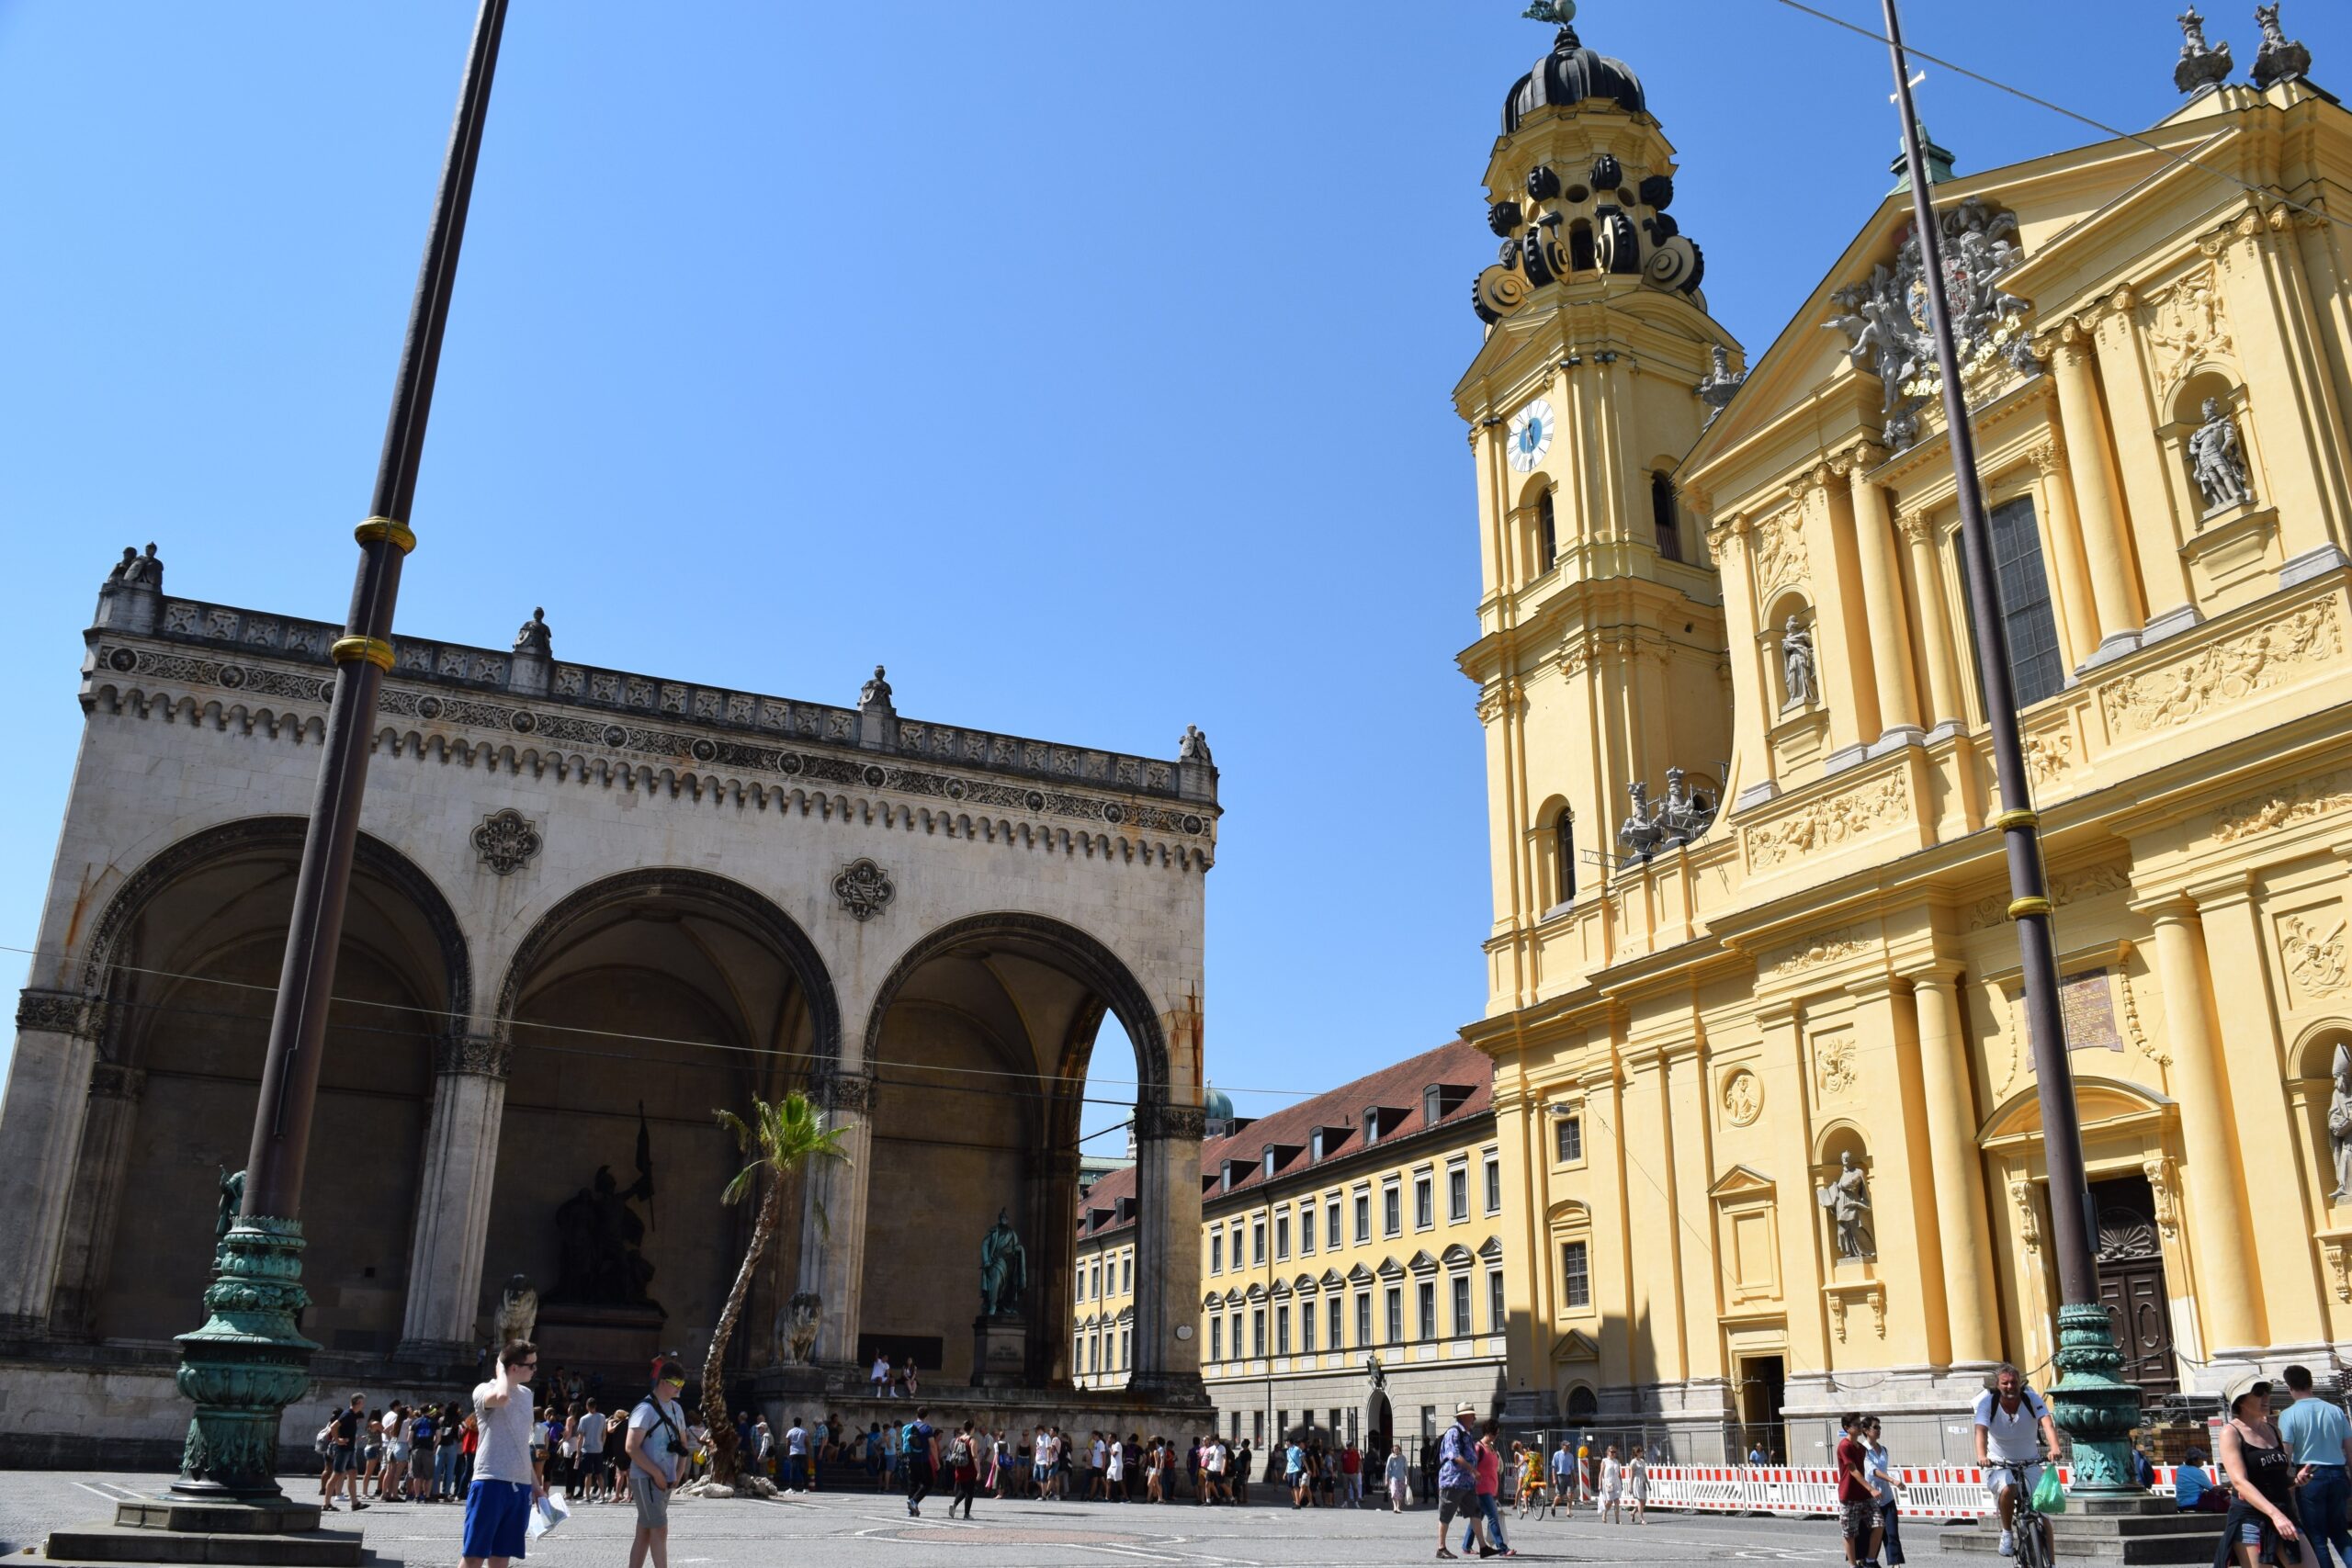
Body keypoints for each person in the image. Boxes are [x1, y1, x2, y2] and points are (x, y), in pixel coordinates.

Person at [461, 1341, 545, 1568]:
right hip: (490, 1481)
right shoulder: (484, 1390)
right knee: (474, 1555)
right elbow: (501, 1398)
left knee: (502, 1556)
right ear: (514, 1367)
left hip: (519, 1485)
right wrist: (500, 1367)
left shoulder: (527, 1394)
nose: (535, 1370)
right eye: (531, 1365)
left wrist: (535, 1486)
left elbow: (521, 1444)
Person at [2218, 1372, 2306, 1568]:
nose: (2266, 1397)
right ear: (2240, 1400)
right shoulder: (2231, 1432)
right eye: (2258, 1392)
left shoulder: (2274, 1430)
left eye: (2267, 1391)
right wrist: (2275, 1515)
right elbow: (2240, 1482)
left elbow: (2277, 1476)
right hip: (2251, 1517)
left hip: (2283, 1511)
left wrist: (2295, 1480)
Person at [1973, 1365, 2059, 1558]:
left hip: (2030, 1462)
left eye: (2014, 1382)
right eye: (2005, 1383)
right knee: (2008, 1487)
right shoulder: (1988, 1403)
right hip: (1998, 1463)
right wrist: (1981, 1456)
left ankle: (2052, 1562)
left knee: (2044, 1515)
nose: (2010, 1386)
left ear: (2020, 1384)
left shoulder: (2031, 1399)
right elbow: (1980, 1430)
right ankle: (2006, 1533)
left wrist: (2055, 1448)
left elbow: (2047, 1423)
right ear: (1998, 1385)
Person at [2280, 1364, 2352, 1568]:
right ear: (2311, 1383)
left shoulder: (2289, 1414)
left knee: (2317, 1537)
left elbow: (2287, 1452)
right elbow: (2349, 1448)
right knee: (2340, 1532)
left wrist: (2288, 1483)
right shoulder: (2335, 1411)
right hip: (2338, 1473)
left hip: (2309, 1476)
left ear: (2289, 1387)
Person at [623, 1361, 688, 1568]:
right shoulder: (644, 1409)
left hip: (667, 1478)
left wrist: (679, 1471)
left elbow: (683, 1444)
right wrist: (656, 1473)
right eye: (675, 1383)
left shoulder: (677, 1408)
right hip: (646, 1478)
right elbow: (631, 1447)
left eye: (682, 1384)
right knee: (660, 1529)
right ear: (662, 1382)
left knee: (644, 1531)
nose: (679, 1388)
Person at [1435, 1402, 1482, 1560]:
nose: (1475, 1418)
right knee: (1446, 1514)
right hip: (1453, 1481)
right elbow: (1454, 1455)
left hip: (1467, 1483)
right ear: (1463, 1417)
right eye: (1472, 1415)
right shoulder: (1454, 1433)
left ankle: (1483, 1546)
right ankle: (1441, 1548)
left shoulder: (1467, 1434)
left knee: (1475, 1512)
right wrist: (1473, 1470)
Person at [1461, 1421, 1514, 1558]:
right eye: (1496, 1433)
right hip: (1481, 1489)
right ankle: (1502, 1548)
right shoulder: (1478, 1448)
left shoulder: (1492, 1448)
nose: (1497, 1435)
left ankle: (1466, 1546)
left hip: (1490, 1490)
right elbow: (1470, 1468)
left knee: (1476, 1518)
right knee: (1493, 1518)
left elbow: (1494, 1469)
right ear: (1489, 1433)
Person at [1836, 1414, 1881, 1568]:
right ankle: (1853, 1565)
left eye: (1859, 1423)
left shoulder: (1861, 1448)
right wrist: (1871, 1488)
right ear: (1847, 1428)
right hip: (1849, 1495)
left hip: (1864, 1495)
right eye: (1856, 1424)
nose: (1860, 1426)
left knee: (1879, 1523)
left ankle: (1870, 1560)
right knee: (1849, 1532)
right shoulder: (1844, 1446)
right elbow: (1853, 1470)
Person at [1862, 1417, 1900, 1564]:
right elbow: (1873, 1471)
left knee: (1892, 1534)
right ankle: (1870, 1561)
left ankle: (1895, 1564)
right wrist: (1893, 1480)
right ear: (1866, 1431)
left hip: (1887, 1497)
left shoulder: (1883, 1449)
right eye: (1875, 1427)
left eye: (1879, 1427)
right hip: (1872, 1499)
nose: (1879, 1430)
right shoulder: (1863, 1451)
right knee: (1873, 1535)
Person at [324, 1394, 368, 1513]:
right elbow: (333, 1427)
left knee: (353, 1473)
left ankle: (355, 1503)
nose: (363, 1405)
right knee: (336, 1475)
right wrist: (338, 1440)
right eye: (362, 1402)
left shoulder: (352, 1415)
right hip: (343, 1450)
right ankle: (327, 1504)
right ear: (358, 1402)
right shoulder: (347, 1414)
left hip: (349, 1449)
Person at [901, 1405, 939, 1518]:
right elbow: (932, 1446)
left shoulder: (908, 1427)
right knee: (929, 1483)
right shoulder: (927, 1428)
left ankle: (912, 1511)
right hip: (923, 1459)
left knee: (913, 1483)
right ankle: (914, 1501)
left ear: (916, 1415)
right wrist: (937, 1461)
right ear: (927, 1416)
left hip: (911, 1459)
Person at [2177, 1447, 2231, 1513]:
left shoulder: (2180, 1468)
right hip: (2195, 1503)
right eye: (2201, 1459)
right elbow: (2214, 1489)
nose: (2203, 1461)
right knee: (2223, 1493)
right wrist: (2228, 1484)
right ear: (2194, 1460)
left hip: (2181, 1503)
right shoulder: (2197, 1472)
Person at [947, 1421, 981, 1519]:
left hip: (960, 1467)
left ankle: (954, 1505)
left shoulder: (958, 1439)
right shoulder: (972, 1440)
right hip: (969, 1468)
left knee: (963, 1489)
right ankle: (966, 1514)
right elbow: (975, 1457)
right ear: (972, 1428)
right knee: (970, 1492)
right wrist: (978, 1471)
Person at [1600, 1443, 1623, 1527]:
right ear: (1608, 1452)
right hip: (1608, 1483)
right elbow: (1601, 1473)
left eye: (1614, 1452)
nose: (1613, 1453)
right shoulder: (1604, 1461)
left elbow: (1619, 1473)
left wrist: (1622, 1482)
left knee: (1617, 1501)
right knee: (1609, 1501)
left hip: (1616, 1482)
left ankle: (1617, 1520)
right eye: (1611, 1452)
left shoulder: (1617, 1461)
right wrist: (1600, 1484)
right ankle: (1605, 1513)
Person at [784, 1415, 808, 1493]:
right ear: (800, 1423)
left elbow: (788, 1443)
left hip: (793, 1453)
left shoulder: (790, 1431)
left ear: (794, 1423)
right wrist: (808, 1452)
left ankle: (792, 1488)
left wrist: (787, 1453)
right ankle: (805, 1488)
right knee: (803, 1470)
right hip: (802, 1453)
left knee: (793, 1470)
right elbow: (807, 1442)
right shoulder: (804, 1431)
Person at [1387, 1442, 1412, 1513]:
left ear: (1399, 1450)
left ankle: (1398, 1507)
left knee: (1400, 1494)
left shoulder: (1403, 1458)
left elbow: (1406, 1469)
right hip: (1394, 1478)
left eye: (1397, 1449)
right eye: (1395, 1449)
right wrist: (1387, 1479)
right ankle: (1395, 1507)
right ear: (1393, 1450)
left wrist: (1407, 1478)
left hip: (1401, 1478)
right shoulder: (1391, 1457)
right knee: (1394, 1492)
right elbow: (1387, 1469)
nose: (1396, 1451)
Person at [1628, 1447, 1648, 1526]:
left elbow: (1644, 1473)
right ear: (1636, 1453)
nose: (1641, 1453)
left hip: (1642, 1481)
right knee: (1640, 1500)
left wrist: (1648, 1483)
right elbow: (1632, 1475)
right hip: (1637, 1481)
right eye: (1640, 1451)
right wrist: (1630, 1486)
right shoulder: (1633, 1462)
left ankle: (1632, 1512)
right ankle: (1641, 1519)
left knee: (1644, 1502)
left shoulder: (1642, 1461)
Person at [1343, 1439, 1363, 1507]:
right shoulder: (1344, 1453)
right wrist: (1342, 1471)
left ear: (1352, 1446)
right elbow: (1342, 1462)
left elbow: (1358, 1462)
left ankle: (1356, 1502)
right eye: (1348, 1446)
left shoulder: (1355, 1453)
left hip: (1353, 1473)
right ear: (1347, 1446)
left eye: (1350, 1446)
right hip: (1345, 1473)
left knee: (1355, 1488)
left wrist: (1358, 1470)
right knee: (1345, 1488)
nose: (1349, 1447)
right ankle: (1345, 1502)